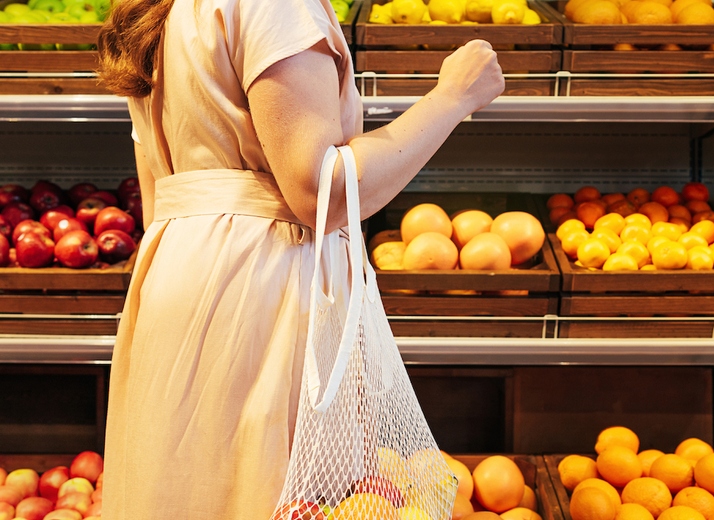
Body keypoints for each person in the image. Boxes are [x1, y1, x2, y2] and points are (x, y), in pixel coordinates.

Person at [95, 0, 504, 516]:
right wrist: (454, 97)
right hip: (262, 282)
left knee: (189, 491)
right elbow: (320, 192)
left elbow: (158, 198)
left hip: (176, 277)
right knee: (279, 496)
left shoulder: (160, 11)